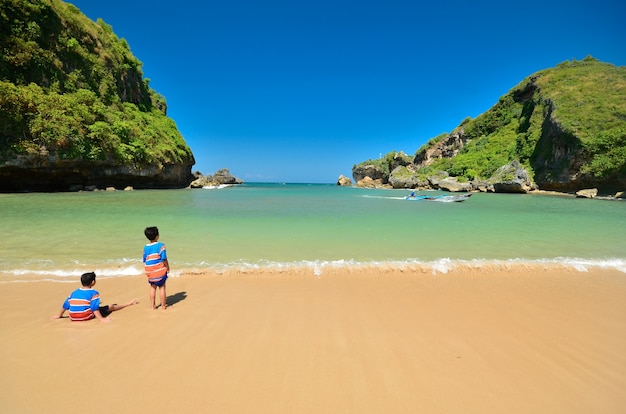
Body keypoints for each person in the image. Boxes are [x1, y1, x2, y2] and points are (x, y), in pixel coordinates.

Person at [52, 272, 137, 322]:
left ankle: (128, 303)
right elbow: (94, 307)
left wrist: (59, 315)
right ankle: (128, 304)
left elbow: (66, 304)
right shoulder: (94, 293)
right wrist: (101, 319)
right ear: (93, 282)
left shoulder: (74, 292)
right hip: (84, 317)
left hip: (72, 317)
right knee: (111, 307)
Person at [143, 226, 170, 310]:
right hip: (159, 271)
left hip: (150, 271)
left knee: (152, 287)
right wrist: (167, 267)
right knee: (162, 287)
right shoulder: (161, 246)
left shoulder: (146, 247)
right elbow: (164, 258)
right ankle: (163, 306)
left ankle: (152, 306)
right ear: (157, 235)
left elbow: (144, 259)